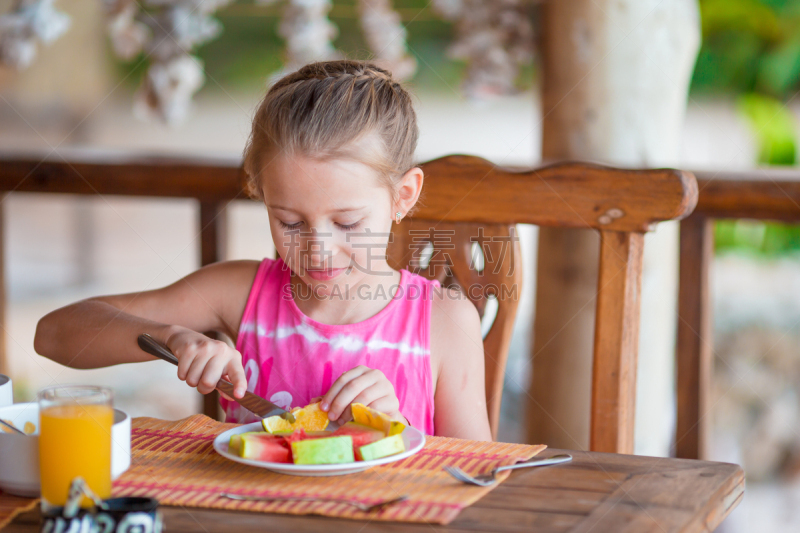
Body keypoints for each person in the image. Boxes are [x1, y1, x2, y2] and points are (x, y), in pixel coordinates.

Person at [34, 60, 492, 441]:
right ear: (262, 194)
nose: (317, 249)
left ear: (402, 197)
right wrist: (172, 337)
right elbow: (54, 334)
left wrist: (400, 432)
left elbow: (480, 477)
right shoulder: (238, 293)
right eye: (290, 222)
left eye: (348, 223)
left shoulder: (444, 321)